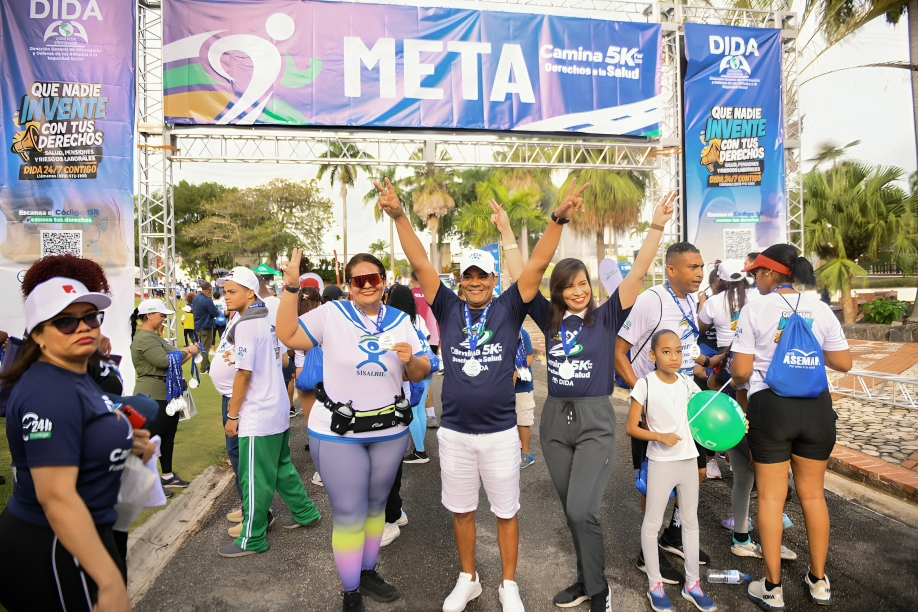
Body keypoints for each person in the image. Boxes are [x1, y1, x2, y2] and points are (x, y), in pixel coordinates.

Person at [378, 176, 587, 612]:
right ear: (459, 279)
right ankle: (468, 577)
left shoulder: (509, 306)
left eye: (482, 275)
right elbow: (419, 261)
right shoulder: (448, 306)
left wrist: (558, 220)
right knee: (462, 510)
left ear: (493, 278)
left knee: (506, 511)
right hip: (454, 433)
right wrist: (399, 216)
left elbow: (537, 265)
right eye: (468, 275)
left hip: (499, 433)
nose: (474, 282)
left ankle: (508, 584)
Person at [499, 192, 676, 611]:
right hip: (555, 420)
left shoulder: (608, 315)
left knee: (583, 510)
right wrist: (506, 232)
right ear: (556, 290)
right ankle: (585, 578)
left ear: (590, 286)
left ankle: (600, 592)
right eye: (568, 285)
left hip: (596, 420)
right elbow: (524, 275)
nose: (577, 291)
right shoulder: (547, 317)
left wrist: (656, 226)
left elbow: (638, 271)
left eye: (582, 284)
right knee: (571, 511)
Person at [276, 250, 429, 612]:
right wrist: (291, 286)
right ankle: (351, 592)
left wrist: (411, 360)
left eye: (373, 278)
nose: (367, 285)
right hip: (337, 430)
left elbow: (421, 371)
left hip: (389, 429)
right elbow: (288, 335)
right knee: (348, 512)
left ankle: (369, 571)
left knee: (376, 506)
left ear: (384, 281)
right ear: (348, 285)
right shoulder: (332, 313)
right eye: (358, 280)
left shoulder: (401, 320)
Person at [0, 276, 150, 612]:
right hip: (54, 546)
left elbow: (82, 434)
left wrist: (126, 442)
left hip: (88, 533)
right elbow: (56, 497)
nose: (83, 327)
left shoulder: (74, 373)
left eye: (91, 317)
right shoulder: (47, 392)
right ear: (37, 334)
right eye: (65, 321)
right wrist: (109, 581)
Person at [730, 244, 851, 609]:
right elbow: (843, 362)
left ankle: (772, 588)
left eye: (756, 275)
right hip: (817, 409)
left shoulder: (754, 309)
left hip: (772, 407)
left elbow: (740, 372)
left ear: (769, 273)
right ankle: (818, 581)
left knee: (770, 496)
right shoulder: (821, 309)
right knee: (814, 495)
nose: (755, 281)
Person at [216, 266, 321, 558]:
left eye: (232, 291)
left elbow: (244, 374)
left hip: (257, 412)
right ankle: (306, 512)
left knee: (255, 478)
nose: (225, 296)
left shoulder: (249, 323)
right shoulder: (266, 316)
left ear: (250, 292)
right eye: (225, 291)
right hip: (274, 407)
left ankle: (253, 538)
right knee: (280, 469)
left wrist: (233, 415)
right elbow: (285, 358)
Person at [626, 330, 717, 612]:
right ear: (653, 355)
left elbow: (709, 415)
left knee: (690, 523)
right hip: (661, 462)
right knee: (652, 524)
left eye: (678, 351)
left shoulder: (690, 385)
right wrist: (659, 436)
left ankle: (693, 584)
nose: (674, 357)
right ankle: (655, 585)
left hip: (688, 461)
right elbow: (631, 427)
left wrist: (736, 427)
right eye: (666, 351)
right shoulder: (644, 385)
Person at [131, 299, 201, 490]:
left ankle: (168, 475)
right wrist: (189, 349)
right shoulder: (144, 338)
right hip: (152, 394)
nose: (163, 319)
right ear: (149, 315)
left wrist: (191, 351)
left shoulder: (154, 337)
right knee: (152, 437)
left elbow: (177, 359)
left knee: (168, 435)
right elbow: (164, 361)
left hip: (166, 393)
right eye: (161, 315)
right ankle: (142, 481)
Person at [386, 283, 433, 464]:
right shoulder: (417, 319)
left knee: (411, 407)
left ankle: (420, 451)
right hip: (426, 365)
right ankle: (420, 448)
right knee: (418, 406)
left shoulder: (393, 320)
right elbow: (427, 339)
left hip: (409, 368)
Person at [412, 269, 445, 407]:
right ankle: (430, 412)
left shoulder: (410, 294)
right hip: (432, 338)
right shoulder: (432, 295)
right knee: (427, 378)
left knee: (415, 378)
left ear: (411, 279)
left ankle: (420, 409)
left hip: (415, 338)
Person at [514, 328, 535, 469]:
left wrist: (520, 367)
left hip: (522, 387)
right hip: (499, 387)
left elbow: (530, 354)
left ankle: (525, 454)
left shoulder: (522, 332)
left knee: (523, 421)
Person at [192, 281, 220, 373]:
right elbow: (215, 313)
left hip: (198, 325)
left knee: (203, 347)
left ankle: (207, 365)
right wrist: (217, 311)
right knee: (205, 349)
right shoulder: (207, 300)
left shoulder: (196, 298)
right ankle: (203, 368)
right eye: (210, 289)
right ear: (208, 289)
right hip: (206, 326)